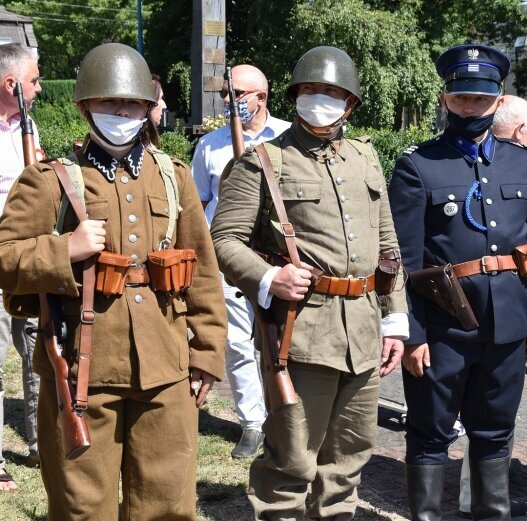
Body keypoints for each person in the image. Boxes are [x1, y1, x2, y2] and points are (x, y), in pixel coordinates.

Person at [0, 43, 227, 518]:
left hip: (166, 367)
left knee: (166, 505)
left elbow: (202, 271)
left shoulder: (174, 178)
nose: (121, 112)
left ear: (148, 108)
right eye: (108, 102)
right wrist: (66, 249)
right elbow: (4, 257)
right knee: (84, 507)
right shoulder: (49, 180)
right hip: (85, 370)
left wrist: (206, 352)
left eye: (131, 103)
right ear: (85, 107)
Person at [211, 45, 408, 520]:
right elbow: (223, 238)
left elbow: (388, 244)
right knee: (292, 460)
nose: (321, 99)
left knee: (348, 462)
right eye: (312, 90)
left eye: (333, 92)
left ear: (351, 103)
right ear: (295, 95)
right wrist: (269, 276)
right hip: (302, 334)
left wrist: (395, 317)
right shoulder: (263, 161)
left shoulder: (365, 157)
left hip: (362, 331)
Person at [389, 44, 527, 521]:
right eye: (462, 99)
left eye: (481, 100)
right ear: (445, 100)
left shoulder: (520, 162)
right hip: (442, 328)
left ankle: (493, 514)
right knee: (430, 432)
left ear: (498, 102)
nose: (471, 108)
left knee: (495, 430)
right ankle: (426, 516)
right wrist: (413, 335)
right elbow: (406, 260)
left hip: (507, 324)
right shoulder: (417, 165)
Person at [192, 64, 290, 459]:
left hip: (279, 262)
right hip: (228, 261)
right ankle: (253, 422)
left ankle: (286, 416)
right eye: (226, 96)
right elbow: (199, 206)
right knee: (235, 341)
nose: (231, 103)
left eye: (238, 95)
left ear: (261, 97)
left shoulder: (289, 138)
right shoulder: (210, 146)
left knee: (282, 342)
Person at [456, 92, 527, 518]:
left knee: (494, 419)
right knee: (474, 418)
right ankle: (479, 498)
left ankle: (488, 500)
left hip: (510, 311)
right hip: (458, 313)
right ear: (521, 130)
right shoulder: (446, 162)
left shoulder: (521, 165)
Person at [0, 42, 42, 492]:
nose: (38, 88)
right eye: (33, 80)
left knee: (38, 355)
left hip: (28, 257)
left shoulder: (26, 128)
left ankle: (39, 443)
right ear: (10, 84)